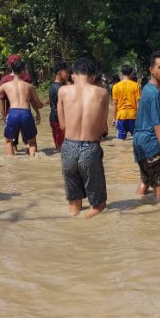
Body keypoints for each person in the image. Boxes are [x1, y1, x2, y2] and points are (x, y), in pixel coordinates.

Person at [57, 58, 110, 218]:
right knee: (98, 205)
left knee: (74, 202)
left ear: (73, 75)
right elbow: (102, 128)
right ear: (93, 77)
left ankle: (75, 226)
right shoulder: (102, 93)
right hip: (89, 148)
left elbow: (63, 126)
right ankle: (86, 223)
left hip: (68, 148)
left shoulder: (63, 91)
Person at [132, 51, 160, 200]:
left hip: (138, 142)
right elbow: (157, 124)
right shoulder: (155, 93)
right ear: (151, 69)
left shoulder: (147, 89)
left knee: (146, 180)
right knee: (159, 183)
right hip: (150, 142)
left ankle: (139, 208)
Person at [0, 59, 44, 156]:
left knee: (9, 141)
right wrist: (41, 106)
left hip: (13, 113)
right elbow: (38, 104)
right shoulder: (29, 86)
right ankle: (33, 162)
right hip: (26, 113)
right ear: (22, 71)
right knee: (32, 142)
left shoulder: (5, 85)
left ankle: (11, 165)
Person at [0, 54, 34, 150]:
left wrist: (3, 116)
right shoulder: (27, 78)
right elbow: (32, 98)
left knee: (10, 141)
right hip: (26, 112)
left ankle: (13, 161)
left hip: (11, 113)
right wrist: (37, 112)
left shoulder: (5, 80)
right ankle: (31, 158)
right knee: (30, 141)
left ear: (10, 66)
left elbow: (2, 99)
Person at [111, 65, 141, 140]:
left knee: (120, 141)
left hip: (121, 116)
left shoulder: (115, 86)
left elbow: (115, 103)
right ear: (131, 74)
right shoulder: (136, 85)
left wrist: (114, 118)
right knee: (136, 139)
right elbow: (138, 102)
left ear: (121, 73)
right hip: (133, 116)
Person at [48, 62, 70, 151]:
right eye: (66, 72)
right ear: (59, 72)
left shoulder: (54, 86)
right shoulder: (60, 88)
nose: (68, 74)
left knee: (59, 147)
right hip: (59, 120)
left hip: (54, 117)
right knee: (63, 149)